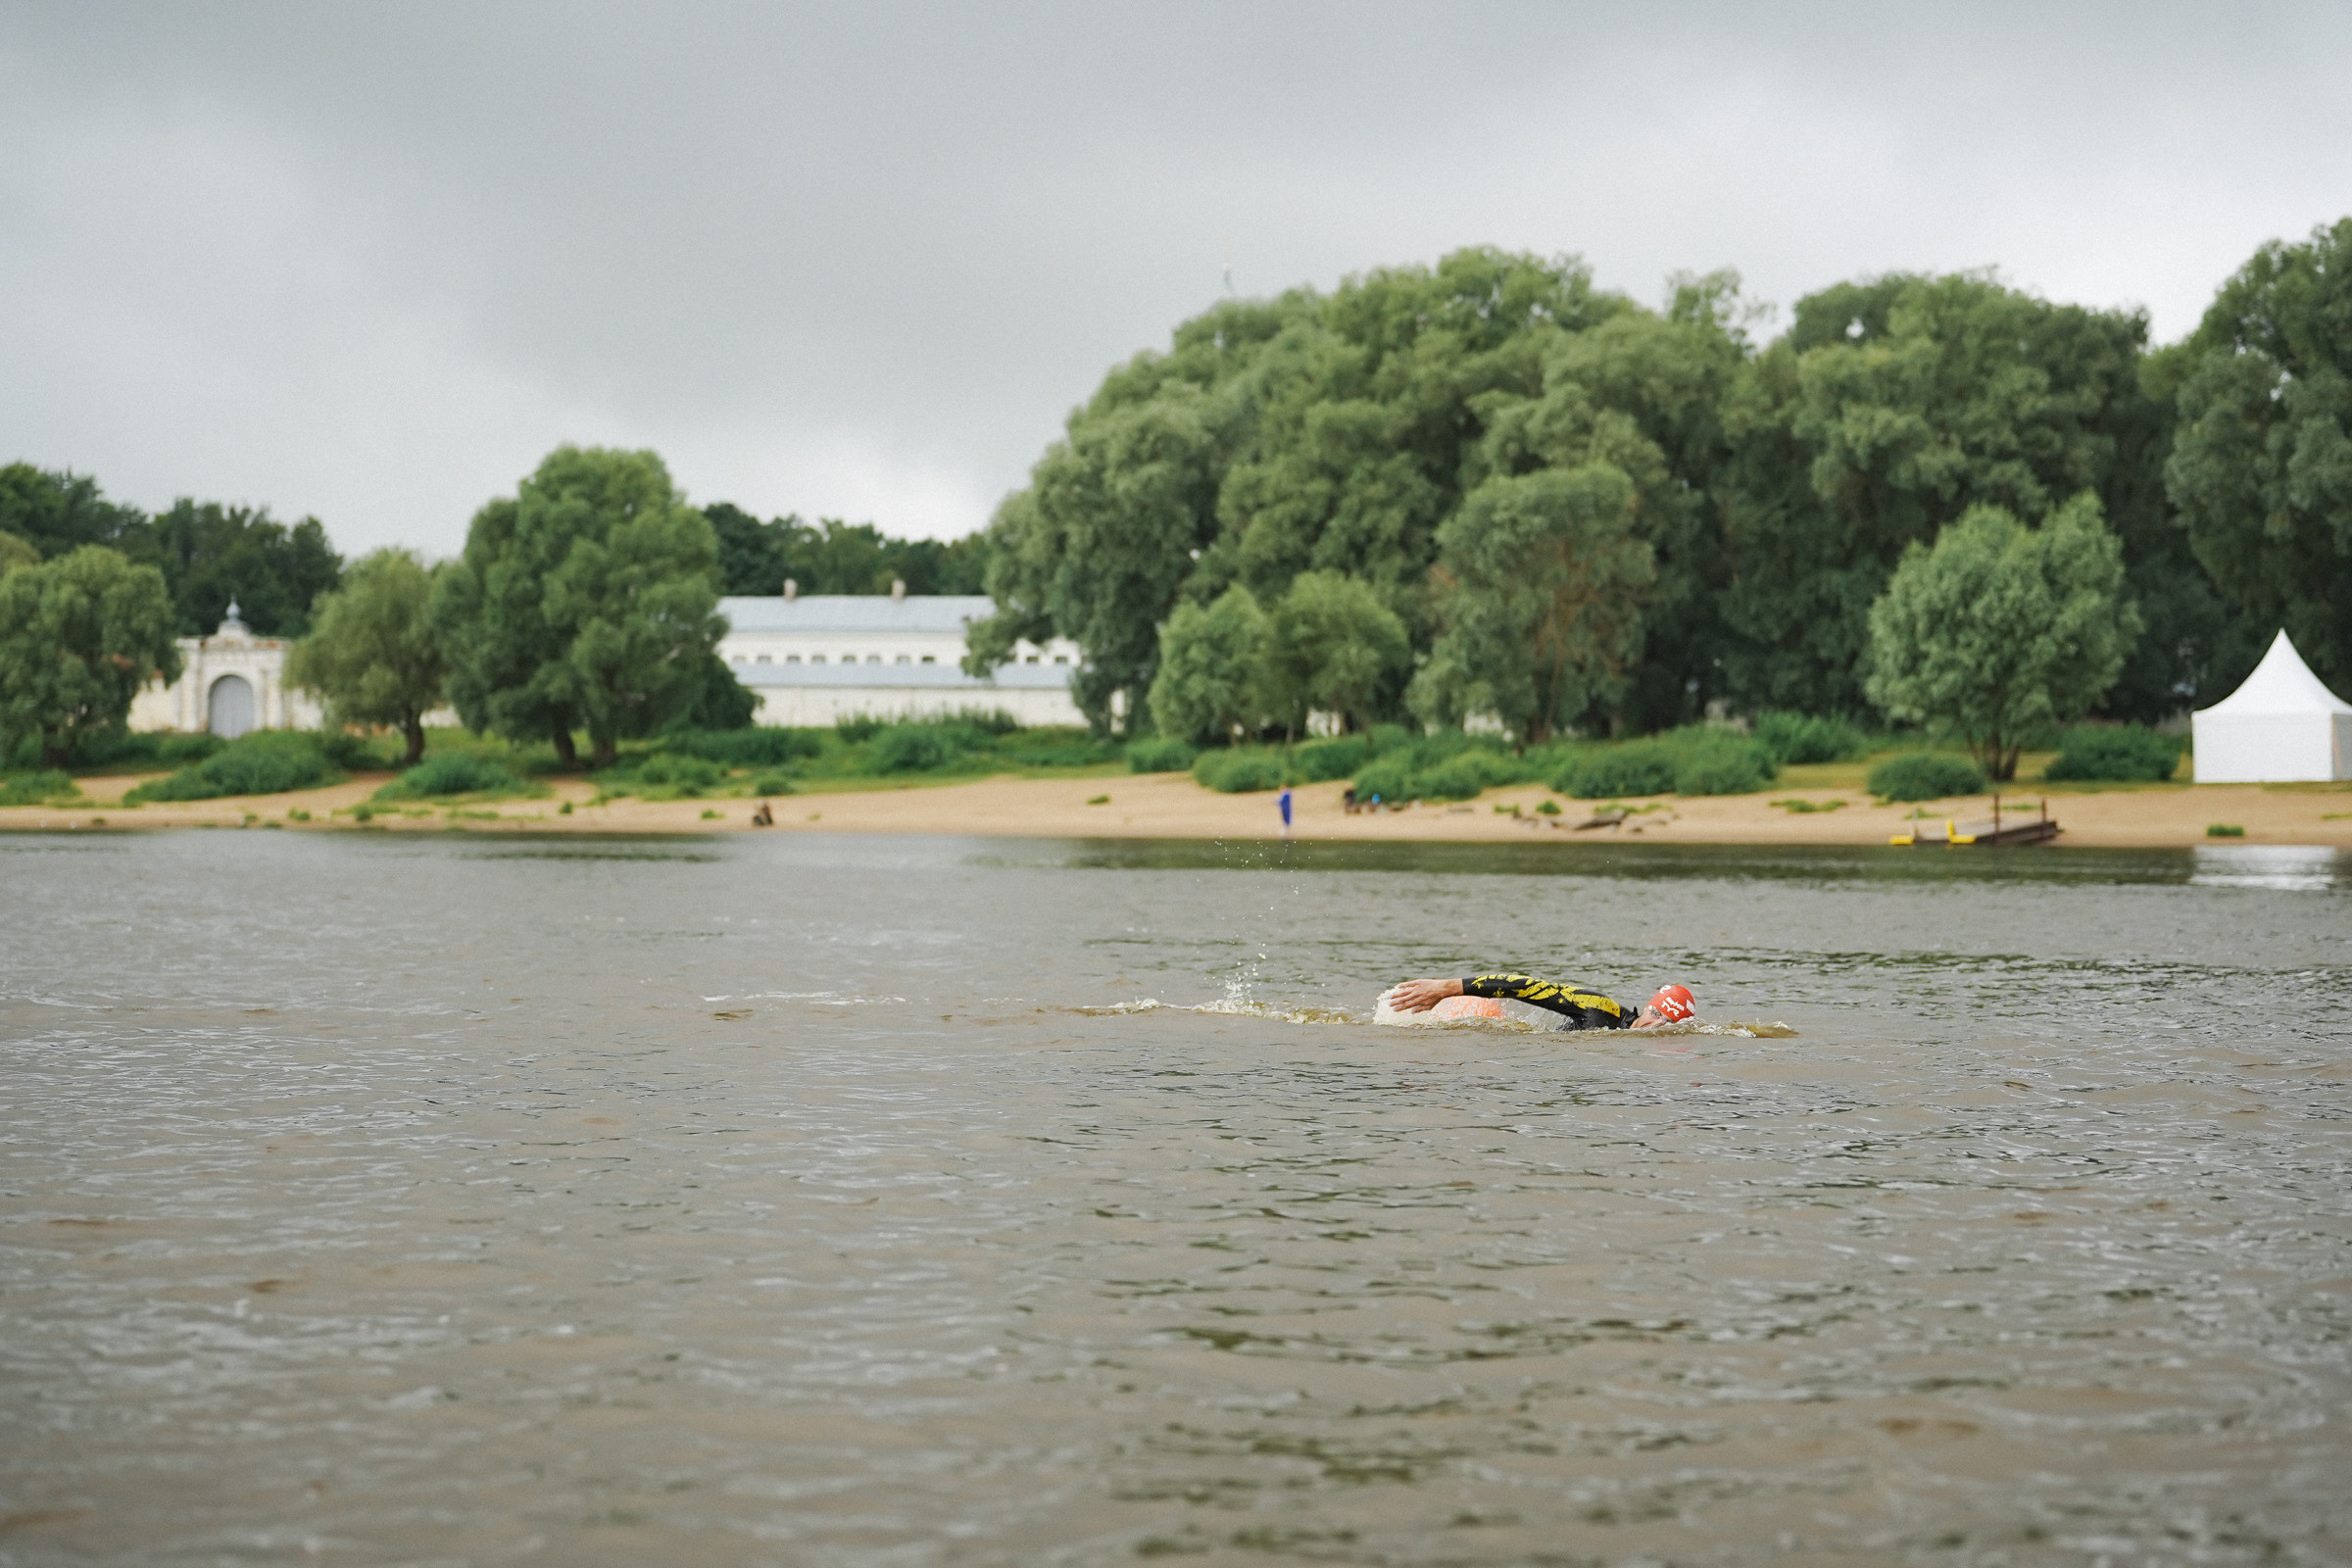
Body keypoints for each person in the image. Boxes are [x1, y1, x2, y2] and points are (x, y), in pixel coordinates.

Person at [1382, 973, 1694, 1031]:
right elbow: (1523, 986)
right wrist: (1446, 987)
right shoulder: (1600, 1009)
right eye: (1659, 1017)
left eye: (1669, 1027)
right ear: (1650, 1008)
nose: (1658, 1029)